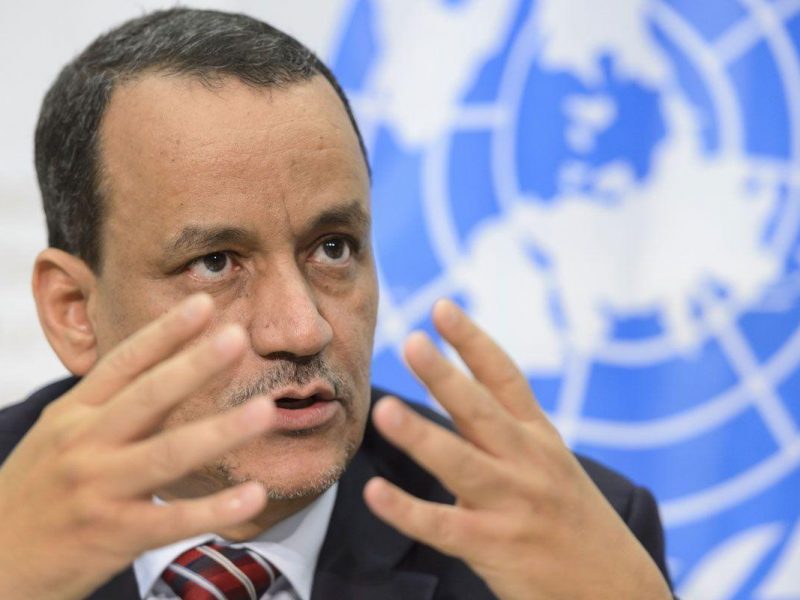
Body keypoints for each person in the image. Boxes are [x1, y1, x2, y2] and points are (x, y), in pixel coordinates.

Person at [0, 8, 675, 600]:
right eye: (215, 263)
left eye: (332, 249)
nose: (303, 328)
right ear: (74, 312)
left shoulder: (554, 541)